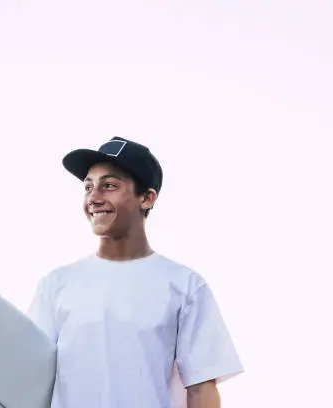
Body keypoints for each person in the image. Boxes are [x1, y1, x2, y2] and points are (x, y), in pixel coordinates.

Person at [27, 136, 244, 408]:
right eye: (88, 187)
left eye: (109, 186)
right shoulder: (56, 285)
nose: (94, 198)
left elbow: (201, 388)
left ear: (147, 198)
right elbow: (29, 378)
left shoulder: (184, 286)